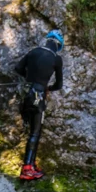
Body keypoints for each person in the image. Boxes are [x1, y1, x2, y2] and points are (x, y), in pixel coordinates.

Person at [14, 30, 65, 181]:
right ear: (58, 44)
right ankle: (27, 167)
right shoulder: (56, 58)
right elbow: (59, 84)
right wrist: (47, 88)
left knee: (29, 129)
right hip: (38, 96)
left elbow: (18, 68)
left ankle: (31, 164)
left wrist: (29, 79)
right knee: (35, 132)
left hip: (25, 93)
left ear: (47, 41)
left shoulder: (33, 51)